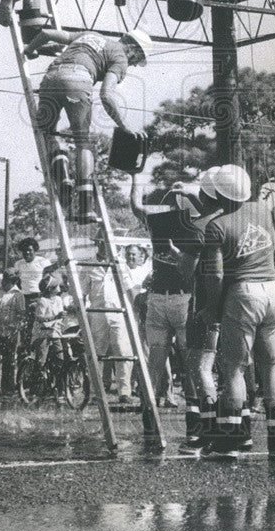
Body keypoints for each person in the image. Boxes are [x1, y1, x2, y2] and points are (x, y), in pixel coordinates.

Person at [197, 165, 275, 459]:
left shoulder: (217, 225)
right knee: (271, 368)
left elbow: (215, 276)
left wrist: (213, 311)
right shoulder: (264, 210)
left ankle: (232, 441)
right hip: (274, 291)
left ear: (218, 194)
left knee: (234, 367)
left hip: (243, 292)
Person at [33, 27, 151, 223]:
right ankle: (86, 207)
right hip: (78, 81)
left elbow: (45, 33)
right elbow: (106, 95)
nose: (133, 65)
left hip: (51, 77)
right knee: (82, 143)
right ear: (133, 49)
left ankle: (62, 177)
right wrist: (125, 125)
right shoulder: (120, 58)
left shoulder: (91, 35)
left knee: (48, 133)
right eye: (136, 61)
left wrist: (30, 49)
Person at [130, 177, 205, 436]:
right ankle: (194, 423)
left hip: (158, 297)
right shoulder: (196, 226)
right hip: (183, 299)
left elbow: (135, 206)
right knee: (190, 363)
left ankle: (149, 420)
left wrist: (134, 177)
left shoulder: (156, 222)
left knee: (156, 361)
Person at [177, 167, 224, 454]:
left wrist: (177, 254)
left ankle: (206, 434)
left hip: (206, 304)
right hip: (236, 305)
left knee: (200, 368)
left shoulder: (202, 227)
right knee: (232, 371)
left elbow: (186, 271)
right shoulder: (232, 220)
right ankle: (231, 432)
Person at [80, 234, 136, 404]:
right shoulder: (89, 265)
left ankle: (124, 392)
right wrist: (81, 318)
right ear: (98, 244)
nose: (106, 246)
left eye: (109, 243)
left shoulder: (120, 264)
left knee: (122, 351)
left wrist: (136, 310)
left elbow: (130, 289)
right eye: (103, 243)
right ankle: (96, 392)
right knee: (98, 353)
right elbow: (82, 293)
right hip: (97, 313)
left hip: (119, 313)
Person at [0, 269, 25, 398]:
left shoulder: (18, 294)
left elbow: (22, 314)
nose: (4, 282)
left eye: (8, 280)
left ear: (13, 281)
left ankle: (8, 389)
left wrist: (17, 324)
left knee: (9, 359)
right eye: (4, 279)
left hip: (11, 329)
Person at [13, 237, 52, 340]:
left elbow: (50, 280)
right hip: (24, 298)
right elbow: (17, 281)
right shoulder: (18, 264)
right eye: (24, 250)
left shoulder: (43, 262)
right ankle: (26, 352)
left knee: (42, 326)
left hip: (39, 297)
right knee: (25, 327)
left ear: (34, 250)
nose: (27, 253)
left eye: (30, 250)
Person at [31, 271, 65, 375]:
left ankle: (53, 379)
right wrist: (55, 317)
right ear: (50, 289)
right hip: (43, 333)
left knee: (60, 357)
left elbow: (60, 316)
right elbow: (39, 318)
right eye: (56, 286)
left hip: (55, 332)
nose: (58, 287)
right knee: (41, 360)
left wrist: (61, 318)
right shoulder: (43, 301)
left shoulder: (59, 299)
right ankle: (37, 381)